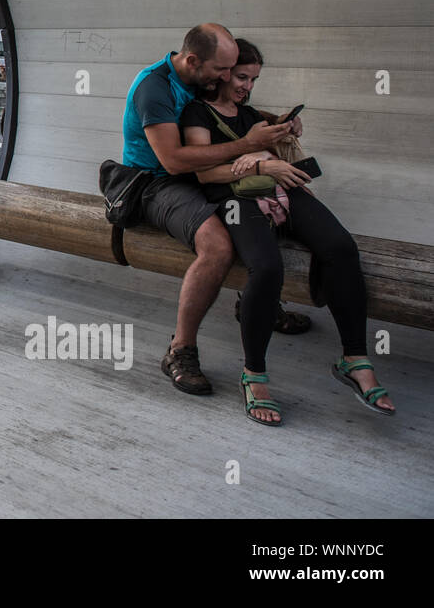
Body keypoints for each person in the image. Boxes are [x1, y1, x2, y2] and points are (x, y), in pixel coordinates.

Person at [179, 39, 394, 424]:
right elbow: (203, 173)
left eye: (254, 79)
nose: (247, 85)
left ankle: (354, 359)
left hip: (280, 189)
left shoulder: (248, 116)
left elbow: (267, 143)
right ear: (223, 73)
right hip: (234, 199)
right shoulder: (197, 114)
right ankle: (254, 374)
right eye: (242, 76)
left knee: (341, 247)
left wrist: (287, 128)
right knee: (267, 267)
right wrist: (262, 166)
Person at [122, 23, 295, 395]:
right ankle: (179, 349)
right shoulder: (155, 88)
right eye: (222, 70)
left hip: (195, 177)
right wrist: (248, 144)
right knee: (217, 245)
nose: (227, 77)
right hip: (157, 183)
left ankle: (257, 302)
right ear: (193, 60)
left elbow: (219, 110)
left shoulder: (197, 77)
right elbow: (173, 161)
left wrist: (276, 124)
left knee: (267, 205)